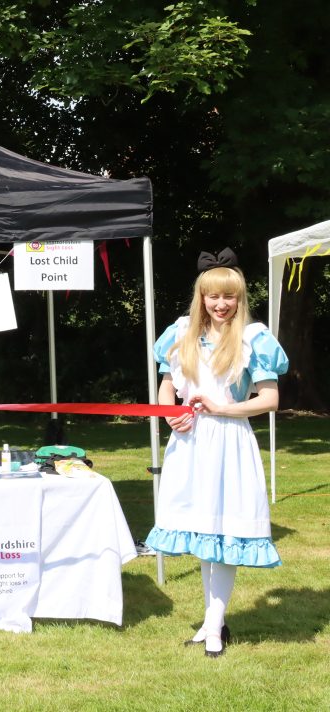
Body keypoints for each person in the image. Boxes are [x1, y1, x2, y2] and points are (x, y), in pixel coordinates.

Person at [144, 249, 288, 659]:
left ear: (240, 298)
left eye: (229, 297)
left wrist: (223, 408)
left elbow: (271, 399)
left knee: (225, 531)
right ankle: (214, 621)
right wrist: (171, 413)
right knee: (203, 533)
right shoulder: (181, 332)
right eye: (213, 297)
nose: (221, 305)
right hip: (189, 442)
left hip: (229, 441)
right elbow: (168, 384)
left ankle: (212, 625)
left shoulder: (252, 338)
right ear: (201, 297)